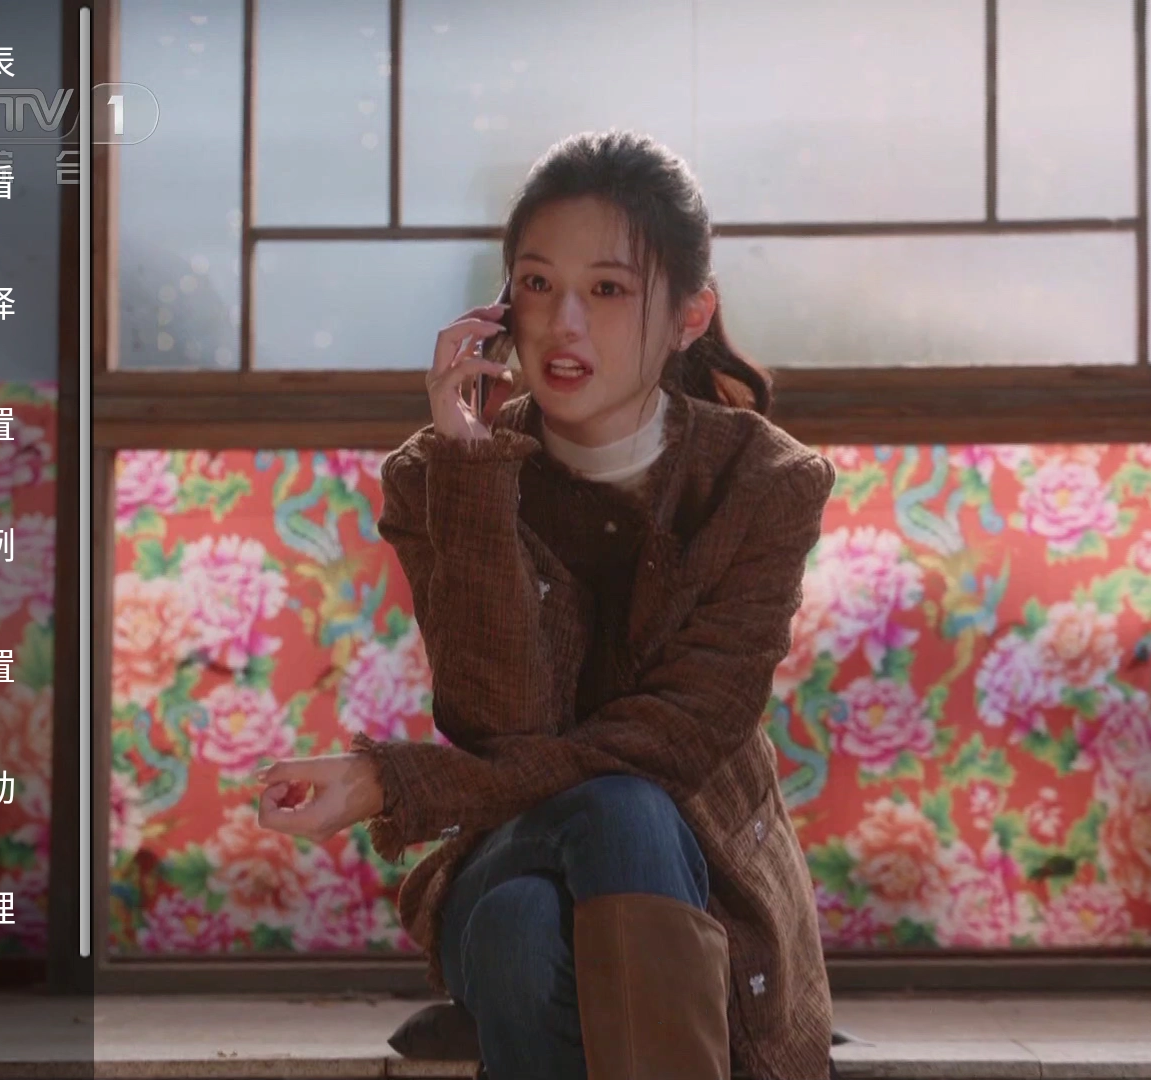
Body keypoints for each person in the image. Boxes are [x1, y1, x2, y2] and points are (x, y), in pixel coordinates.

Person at [254, 128, 837, 1080]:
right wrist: (474, 469)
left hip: (706, 885)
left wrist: (391, 784)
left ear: (690, 315)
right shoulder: (437, 476)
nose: (564, 323)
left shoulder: (762, 483)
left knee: (538, 909)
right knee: (595, 825)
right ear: (500, 308)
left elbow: (672, 743)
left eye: (608, 289)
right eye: (537, 284)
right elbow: (501, 720)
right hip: (515, 844)